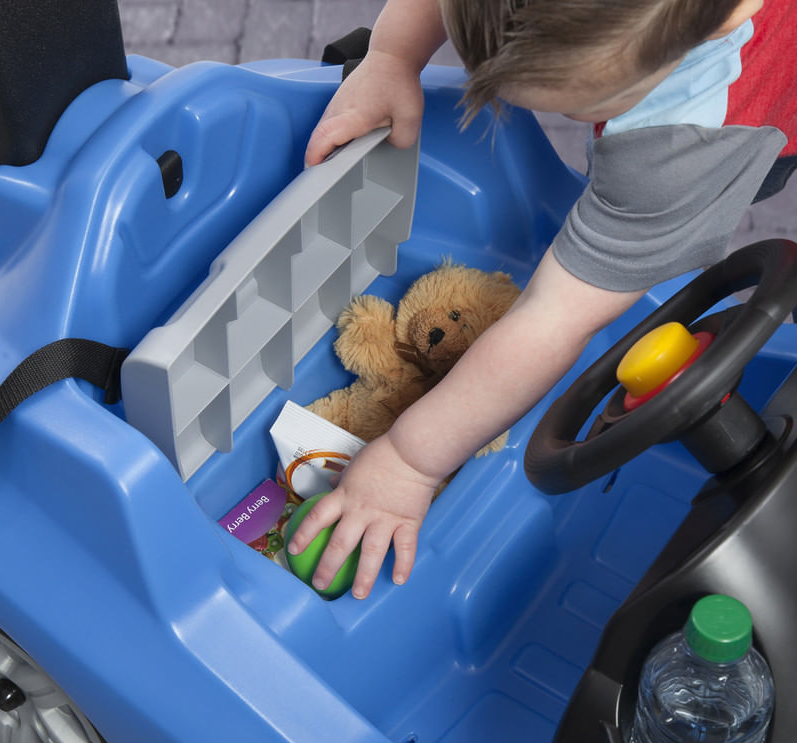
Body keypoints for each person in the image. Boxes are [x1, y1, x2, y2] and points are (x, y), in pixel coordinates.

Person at [290, 0, 797, 599]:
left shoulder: (676, 153)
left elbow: (553, 318)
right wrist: (392, 56)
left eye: (575, 105)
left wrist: (408, 460)